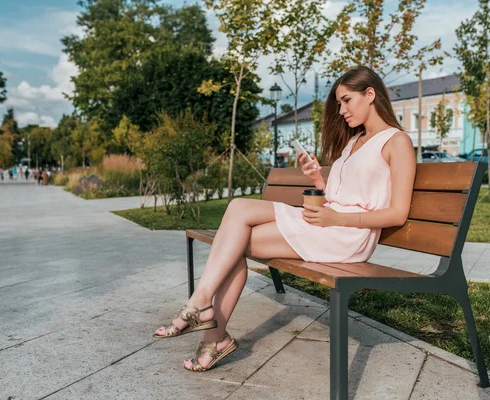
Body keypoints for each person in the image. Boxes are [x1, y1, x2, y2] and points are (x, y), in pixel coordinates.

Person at [153, 66, 417, 372]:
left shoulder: (397, 141)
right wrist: (319, 179)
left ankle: (205, 320)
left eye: (346, 100)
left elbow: (397, 213)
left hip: (346, 236)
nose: (341, 110)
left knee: (232, 243)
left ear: (370, 94)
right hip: (326, 222)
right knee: (238, 211)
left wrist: (333, 218)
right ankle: (206, 316)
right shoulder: (354, 142)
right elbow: (344, 193)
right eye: (339, 103)